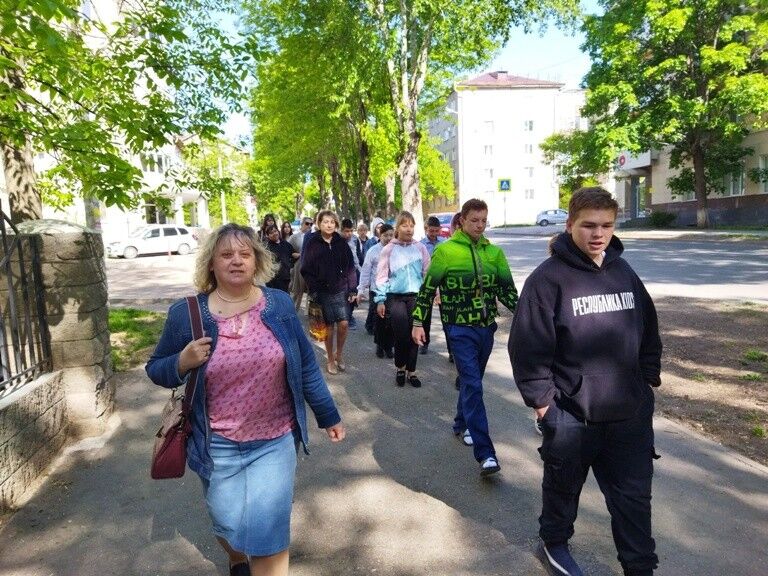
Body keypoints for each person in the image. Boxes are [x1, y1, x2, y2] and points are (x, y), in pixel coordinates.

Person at [145, 223, 346, 576]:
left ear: (257, 261)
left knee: (269, 532)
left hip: (274, 439)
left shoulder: (278, 304)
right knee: (227, 523)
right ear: (211, 263)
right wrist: (181, 362)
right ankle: (236, 557)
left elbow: (305, 365)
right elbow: (156, 368)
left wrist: (328, 414)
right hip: (217, 444)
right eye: (226, 254)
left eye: (244, 254)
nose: (236, 261)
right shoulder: (187, 314)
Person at [507, 187, 662, 576]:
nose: (599, 234)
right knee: (562, 490)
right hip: (572, 417)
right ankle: (554, 543)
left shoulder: (623, 272)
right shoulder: (547, 280)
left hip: (628, 416)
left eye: (607, 225)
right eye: (589, 225)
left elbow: (648, 329)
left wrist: (646, 382)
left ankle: (640, 568)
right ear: (570, 225)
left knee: (634, 501)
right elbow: (527, 347)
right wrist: (545, 406)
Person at [412, 199, 518, 477]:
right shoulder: (446, 252)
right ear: (461, 222)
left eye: (484, 220)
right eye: (474, 221)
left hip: (486, 328)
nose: (480, 226)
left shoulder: (494, 253)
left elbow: (507, 292)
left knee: (473, 382)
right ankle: (486, 454)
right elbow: (427, 289)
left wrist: (529, 317)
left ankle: (460, 423)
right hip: (458, 329)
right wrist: (417, 322)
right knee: (472, 383)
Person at [375, 211, 430, 388]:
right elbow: (382, 276)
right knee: (401, 334)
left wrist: (433, 294)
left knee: (415, 334)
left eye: (411, 226)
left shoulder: (420, 248)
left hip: (416, 297)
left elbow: (427, 273)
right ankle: (400, 367)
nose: (409, 229)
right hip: (395, 297)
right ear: (397, 228)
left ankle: (411, 371)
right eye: (405, 225)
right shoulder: (389, 249)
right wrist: (380, 300)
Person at [301, 210, 358, 375]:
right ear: (319, 224)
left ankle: (339, 354)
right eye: (325, 222)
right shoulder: (312, 243)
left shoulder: (341, 243)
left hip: (341, 290)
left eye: (332, 222)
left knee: (344, 324)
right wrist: (314, 289)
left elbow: (350, 267)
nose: (329, 225)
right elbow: (305, 269)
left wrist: (352, 289)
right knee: (329, 326)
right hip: (323, 291)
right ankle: (330, 359)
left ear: (336, 224)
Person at [357, 223, 395, 358]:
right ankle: (380, 345)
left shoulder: (397, 250)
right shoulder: (373, 251)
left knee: (391, 321)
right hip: (376, 290)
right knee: (379, 320)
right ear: (380, 235)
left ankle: (389, 347)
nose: (388, 238)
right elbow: (366, 271)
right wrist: (361, 289)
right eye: (385, 235)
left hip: (392, 291)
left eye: (391, 235)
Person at [417, 215, 446, 355]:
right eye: (431, 231)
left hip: (443, 285)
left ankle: (452, 350)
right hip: (427, 284)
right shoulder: (420, 245)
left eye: (436, 231)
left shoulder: (444, 243)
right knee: (425, 317)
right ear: (425, 229)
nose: (434, 234)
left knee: (446, 317)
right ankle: (424, 342)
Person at [341, 218, 364, 330]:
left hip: (354, 271)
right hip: (341, 273)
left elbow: (359, 255)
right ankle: (345, 317)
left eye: (351, 231)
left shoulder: (355, 239)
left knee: (353, 294)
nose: (349, 234)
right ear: (341, 230)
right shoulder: (337, 241)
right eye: (346, 231)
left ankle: (349, 316)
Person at [288, 217, 313, 310]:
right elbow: (287, 250)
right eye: (307, 223)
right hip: (299, 265)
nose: (309, 226)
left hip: (311, 266)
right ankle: (291, 310)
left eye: (311, 224)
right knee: (298, 291)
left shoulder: (313, 236)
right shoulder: (294, 237)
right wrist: (296, 255)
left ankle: (308, 312)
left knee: (311, 291)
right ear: (302, 224)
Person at [264, 224, 294, 293]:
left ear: (278, 231)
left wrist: (290, 264)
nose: (274, 233)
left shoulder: (285, 243)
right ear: (267, 236)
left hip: (285, 277)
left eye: (275, 231)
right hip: (273, 280)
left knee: (285, 296)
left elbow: (293, 253)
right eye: (271, 233)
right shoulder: (266, 247)